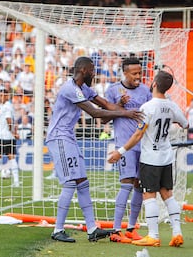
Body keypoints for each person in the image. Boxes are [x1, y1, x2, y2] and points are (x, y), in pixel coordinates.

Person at [46, 56, 143, 243]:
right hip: (58, 137)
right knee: (70, 183)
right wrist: (124, 113)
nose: (94, 73)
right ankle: (58, 229)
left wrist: (122, 107)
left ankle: (92, 229)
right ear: (83, 70)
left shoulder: (84, 88)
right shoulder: (70, 89)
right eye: (92, 70)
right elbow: (96, 113)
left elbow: (106, 105)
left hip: (69, 137)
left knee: (82, 182)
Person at [108, 70, 188, 247]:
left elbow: (138, 135)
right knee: (168, 194)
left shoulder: (148, 107)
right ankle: (177, 232)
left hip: (150, 158)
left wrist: (119, 152)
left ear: (154, 84)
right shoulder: (172, 106)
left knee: (149, 195)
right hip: (166, 157)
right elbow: (185, 124)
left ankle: (153, 236)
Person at [104, 57, 152, 243]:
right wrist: (121, 106)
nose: (138, 76)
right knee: (126, 183)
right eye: (134, 73)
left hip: (144, 144)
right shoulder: (113, 91)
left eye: (140, 73)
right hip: (125, 146)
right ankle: (116, 229)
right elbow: (104, 118)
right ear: (125, 73)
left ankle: (131, 228)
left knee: (139, 185)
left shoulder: (146, 91)